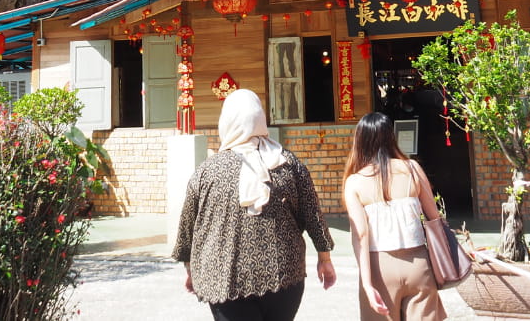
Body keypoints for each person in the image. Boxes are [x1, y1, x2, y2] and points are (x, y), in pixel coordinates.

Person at [174, 88, 336, 320]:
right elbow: (313, 216)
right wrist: (325, 260)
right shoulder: (288, 164)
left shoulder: (206, 172)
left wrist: (190, 269)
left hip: (223, 281)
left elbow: (187, 229)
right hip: (283, 276)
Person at [343, 112, 447, 321]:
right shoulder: (412, 169)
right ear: (391, 137)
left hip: (380, 267)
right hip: (419, 264)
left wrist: (367, 283)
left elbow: (361, 235)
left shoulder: (354, 182)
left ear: (360, 140)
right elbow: (434, 218)